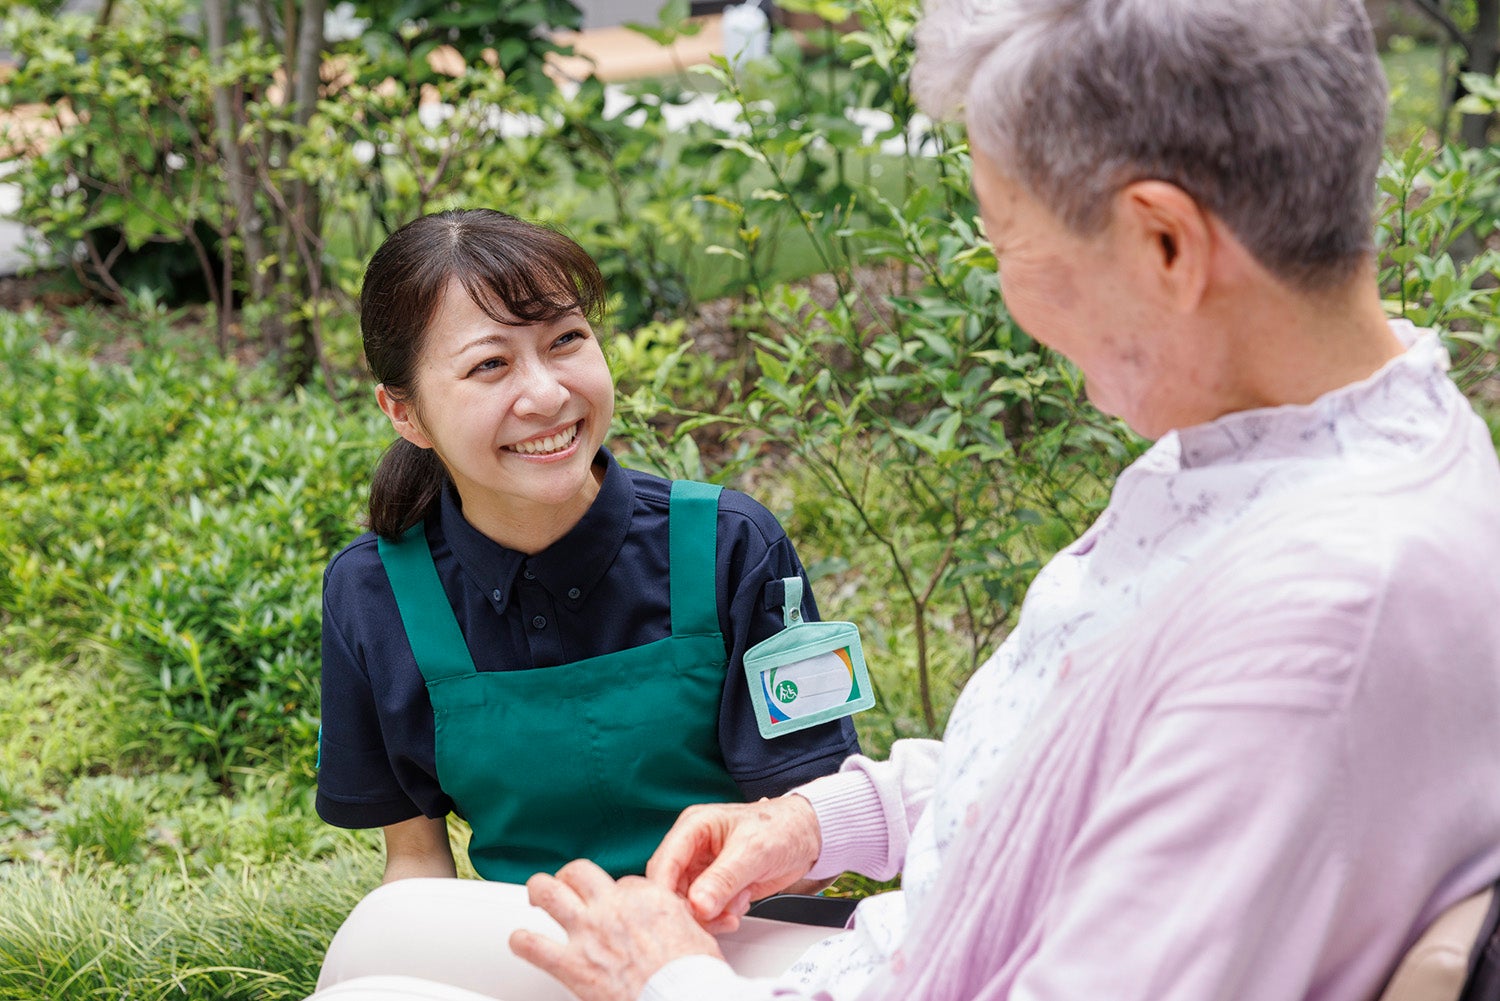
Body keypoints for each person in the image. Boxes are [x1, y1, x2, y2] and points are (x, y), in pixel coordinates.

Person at [308, 0, 1500, 999]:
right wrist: (824, 820)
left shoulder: (1315, 623)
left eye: (1006, 238)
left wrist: (671, 974)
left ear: (1163, 247)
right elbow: (1051, 759)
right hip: (879, 948)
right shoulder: (1251, 456)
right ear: (401, 410)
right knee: (375, 949)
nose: (1009, 296)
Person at [315, 209, 860, 886]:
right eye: (490, 363)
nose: (546, 394)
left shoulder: (734, 546)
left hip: (738, 935)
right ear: (405, 412)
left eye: (566, 339)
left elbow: (808, 842)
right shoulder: (373, 593)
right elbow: (417, 861)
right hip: (519, 953)